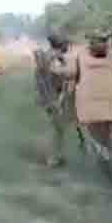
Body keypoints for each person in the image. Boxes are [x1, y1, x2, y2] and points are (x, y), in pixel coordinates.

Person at [74, 31, 112, 185]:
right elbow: (74, 79)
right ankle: (107, 177)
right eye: (98, 41)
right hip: (94, 109)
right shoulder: (80, 58)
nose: (102, 44)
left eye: (104, 41)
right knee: (102, 145)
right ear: (90, 43)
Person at [34, 34, 76, 167]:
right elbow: (58, 74)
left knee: (56, 127)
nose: (67, 47)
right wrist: (71, 74)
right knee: (56, 129)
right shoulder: (55, 59)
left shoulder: (47, 56)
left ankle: (54, 156)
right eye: (65, 44)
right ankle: (52, 158)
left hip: (47, 96)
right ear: (60, 45)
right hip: (52, 97)